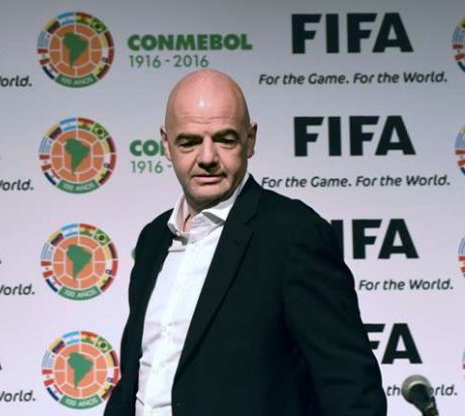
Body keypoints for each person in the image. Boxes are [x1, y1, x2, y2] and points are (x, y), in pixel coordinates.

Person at [104, 69, 386, 416]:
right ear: (166, 143)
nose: (207, 158)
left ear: (250, 140)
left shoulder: (294, 235)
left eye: (225, 140)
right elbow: (139, 376)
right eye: (189, 142)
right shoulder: (153, 239)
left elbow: (351, 389)